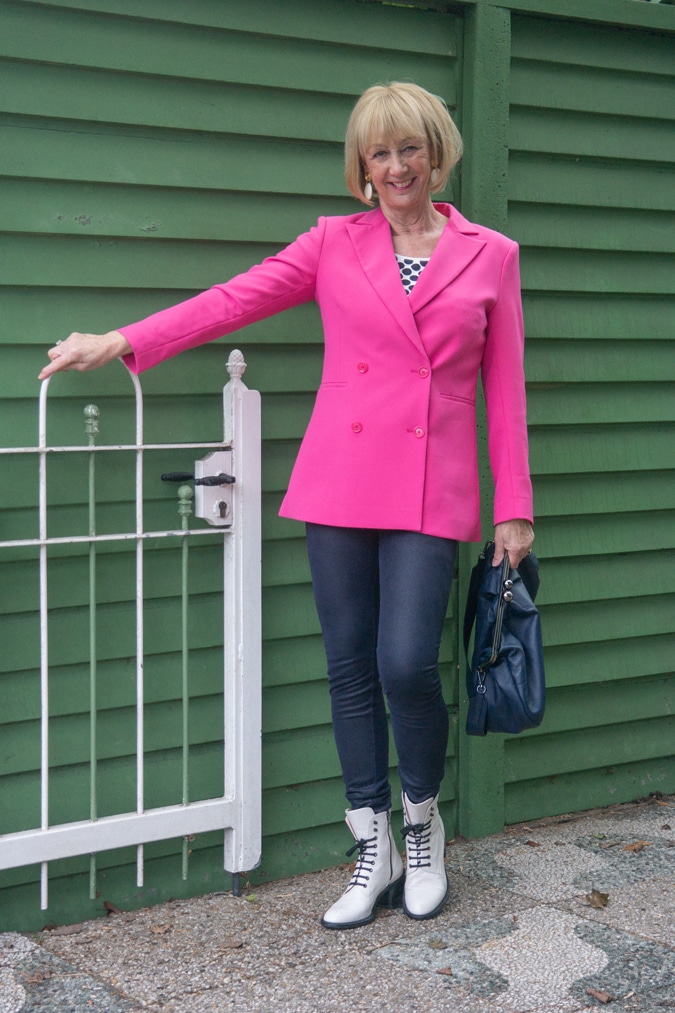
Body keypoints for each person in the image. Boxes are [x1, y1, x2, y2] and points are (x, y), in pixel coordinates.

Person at [39, 82, 534, 930]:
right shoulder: (332, 243)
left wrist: (512, 504)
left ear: (435, 152)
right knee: (347, 666)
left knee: (406, 662)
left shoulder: (490, 253)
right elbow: (235, 298)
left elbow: (504, 387)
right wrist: (125, 340)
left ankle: (422, 823)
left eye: (408, 148)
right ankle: (368, 841)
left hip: (430, 482)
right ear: (360, 167)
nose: (394, 167)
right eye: (377, 153)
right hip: (341, 474)